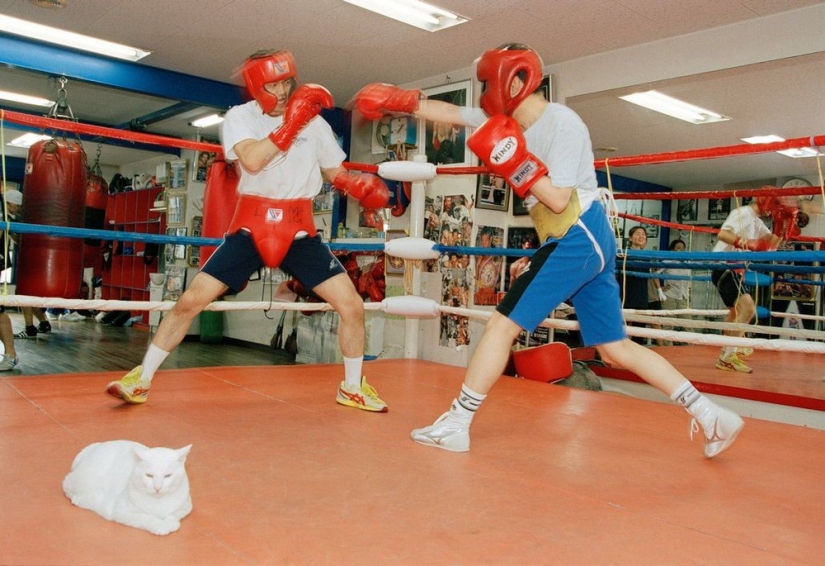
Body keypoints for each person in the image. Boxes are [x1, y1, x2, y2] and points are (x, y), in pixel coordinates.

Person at [350, 43, 743, 458]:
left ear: (515, 80)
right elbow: (452, 114)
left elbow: (556, 199)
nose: (484, 93)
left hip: (578, 234)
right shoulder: (503, 117)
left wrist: (513, 160)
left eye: (488, 83)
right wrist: (403, 101)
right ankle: (712, 414)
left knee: (502, 326)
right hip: (578, 240)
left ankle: (458, 423)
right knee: (614, 347)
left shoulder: (563, 125)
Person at [105, 49, 391, 411]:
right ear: (256, 86)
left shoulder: (316, 125)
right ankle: (141, 380)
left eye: (288, 81)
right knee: (190, 301)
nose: (285, 90)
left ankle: (352, 388)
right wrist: (291, 125)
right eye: (274, 83)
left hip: (299, 231)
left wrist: (357, 184)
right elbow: (252, 160)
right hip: (252, 227)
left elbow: (334, 171)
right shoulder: (241, 118)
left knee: (351, 306)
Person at [711, 196, 792, 373]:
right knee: (747, 309)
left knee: (735, 312)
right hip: (724, 265)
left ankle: (729, 349)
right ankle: (728, 356)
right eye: (776, 206)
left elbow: (771, 245)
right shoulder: (743, 213)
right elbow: (723, 234)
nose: (775, 210)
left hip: (736, 270)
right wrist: (744, 242)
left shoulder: (756, 220)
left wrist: (783, 225)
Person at [0, 189, 23, 370]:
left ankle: (11, 354)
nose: (19, 208)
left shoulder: (6, 217)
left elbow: (17, 237)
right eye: (17, 205)